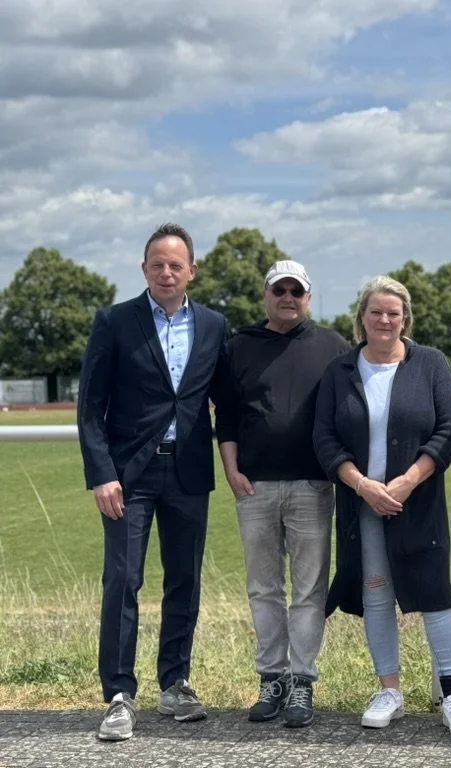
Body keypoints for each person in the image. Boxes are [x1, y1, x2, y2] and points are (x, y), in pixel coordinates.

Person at [77, 223, 229, 741]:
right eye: (157, 264)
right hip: (128, 476)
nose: (167, 272)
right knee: (123, 582)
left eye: (176, 265)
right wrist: (102, 474)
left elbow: (227, 399)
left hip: (188, 471)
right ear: (144, 269)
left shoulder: (212, 326)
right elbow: (90, 407)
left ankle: (175, 683)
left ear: (192, 270)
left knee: (184, 580)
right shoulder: (115, 322)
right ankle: (119, 694)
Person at [312, 276, 451, 738]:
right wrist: (363, 485)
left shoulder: (430, 364)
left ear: (406, 319)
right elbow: (324, 438)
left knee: (434, 593)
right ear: (361, 318)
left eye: (393, 313)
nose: (384, 320)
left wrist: (406, 481)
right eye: (375, 312)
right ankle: (390, 690)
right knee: (376, 591)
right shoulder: (340, 371)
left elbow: (448, 429)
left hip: (417, 501)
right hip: (361, 503)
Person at [214, 260, 350, 727]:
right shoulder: (239, 347)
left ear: (308, 297)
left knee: (309, 591)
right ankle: (271, 677)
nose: (287, 297)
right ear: (265, 295)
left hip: (313, 486)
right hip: (253, 485)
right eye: (279, 290)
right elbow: (226, 416)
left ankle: (302, 682)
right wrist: (231, 469)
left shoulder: (332, 345)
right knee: (263, 589)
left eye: (296, 290)